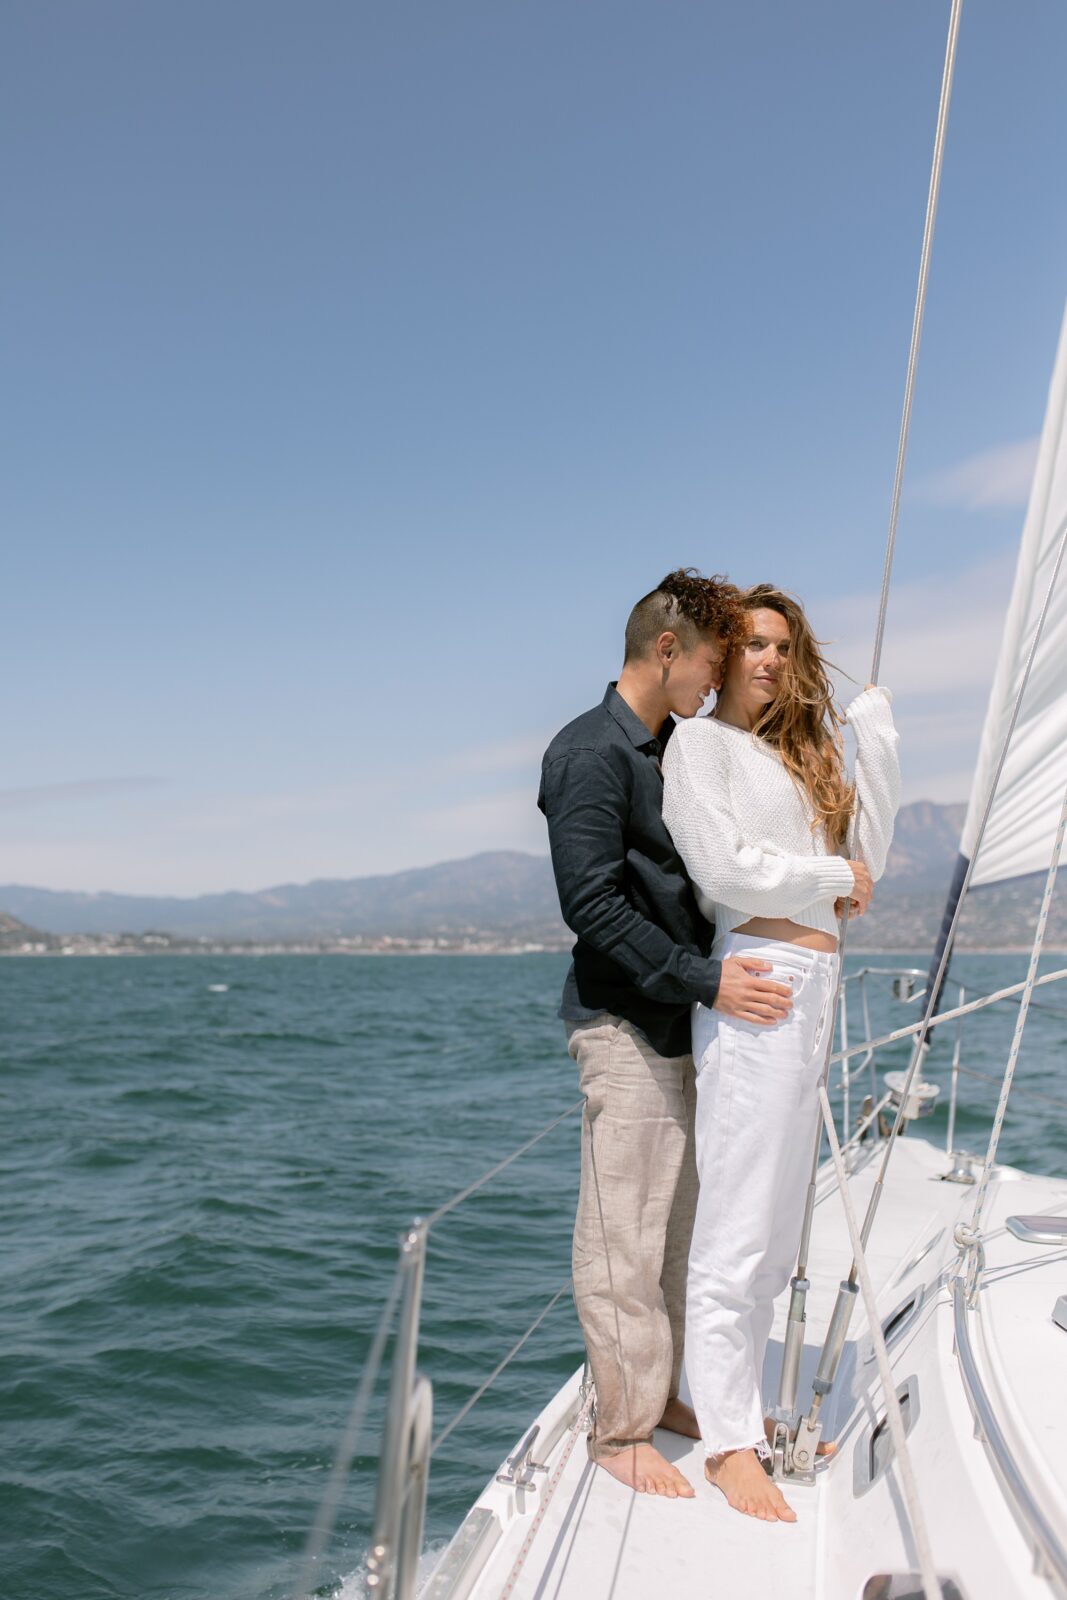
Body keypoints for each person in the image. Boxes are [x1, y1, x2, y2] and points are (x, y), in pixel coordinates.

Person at [538, 569, 797, 1500]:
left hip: (686, 1018)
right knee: (626, 1233)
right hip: (626, 1021)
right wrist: (708, 978)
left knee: (685, 1227)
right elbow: (592, 905)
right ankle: (619, 1430)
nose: (715, 682)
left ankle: (678, 1393)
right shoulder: (589, 755)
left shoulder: (668, 750)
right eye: (711, 664)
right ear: (665, 651)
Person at [661, 583, 900, 1522]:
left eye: (781, 648)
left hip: (816, 987)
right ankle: (725, 1444)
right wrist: (828, 874)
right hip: (755, 980)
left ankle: (743, 1415)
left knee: (778, 1228)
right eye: (752, 644)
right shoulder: (700, 748)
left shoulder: (800, 759)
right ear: (721, 656)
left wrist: (873, 740)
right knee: (738, 1220)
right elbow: (721, 869)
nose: (767, 660)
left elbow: (866, 864)